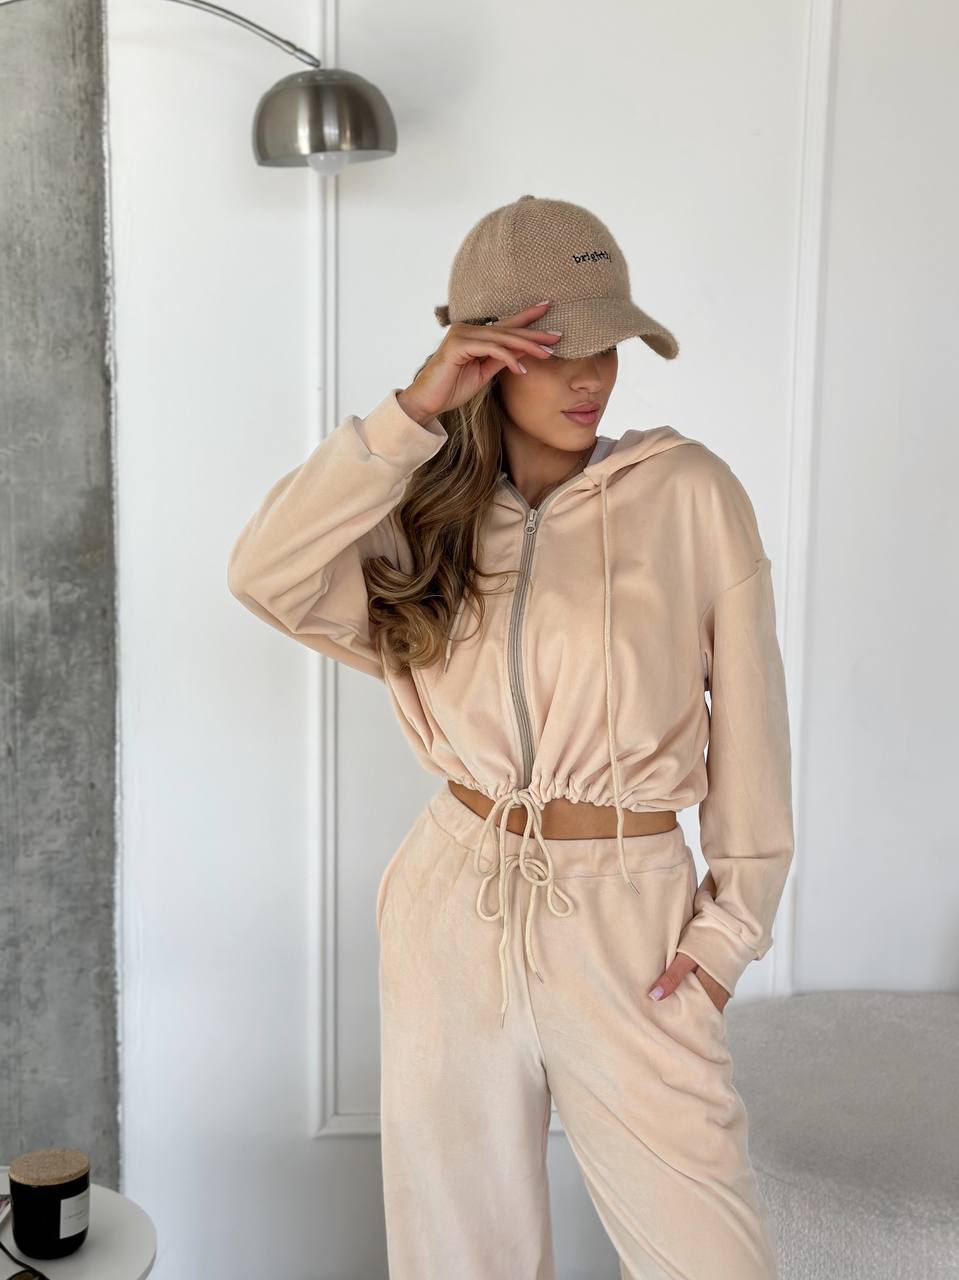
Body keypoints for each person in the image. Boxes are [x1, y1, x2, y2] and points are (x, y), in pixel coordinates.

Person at [227, 195, 794, 1280]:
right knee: (460, 1260)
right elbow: (264, 572)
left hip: (629, 924)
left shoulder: (689, 493)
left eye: (607, 348)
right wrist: (412, 411)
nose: (591, 379)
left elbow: (754, 734)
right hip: (454, 906)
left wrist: (726, 938)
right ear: (486, 360)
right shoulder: (422, 518)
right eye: (556, 353)